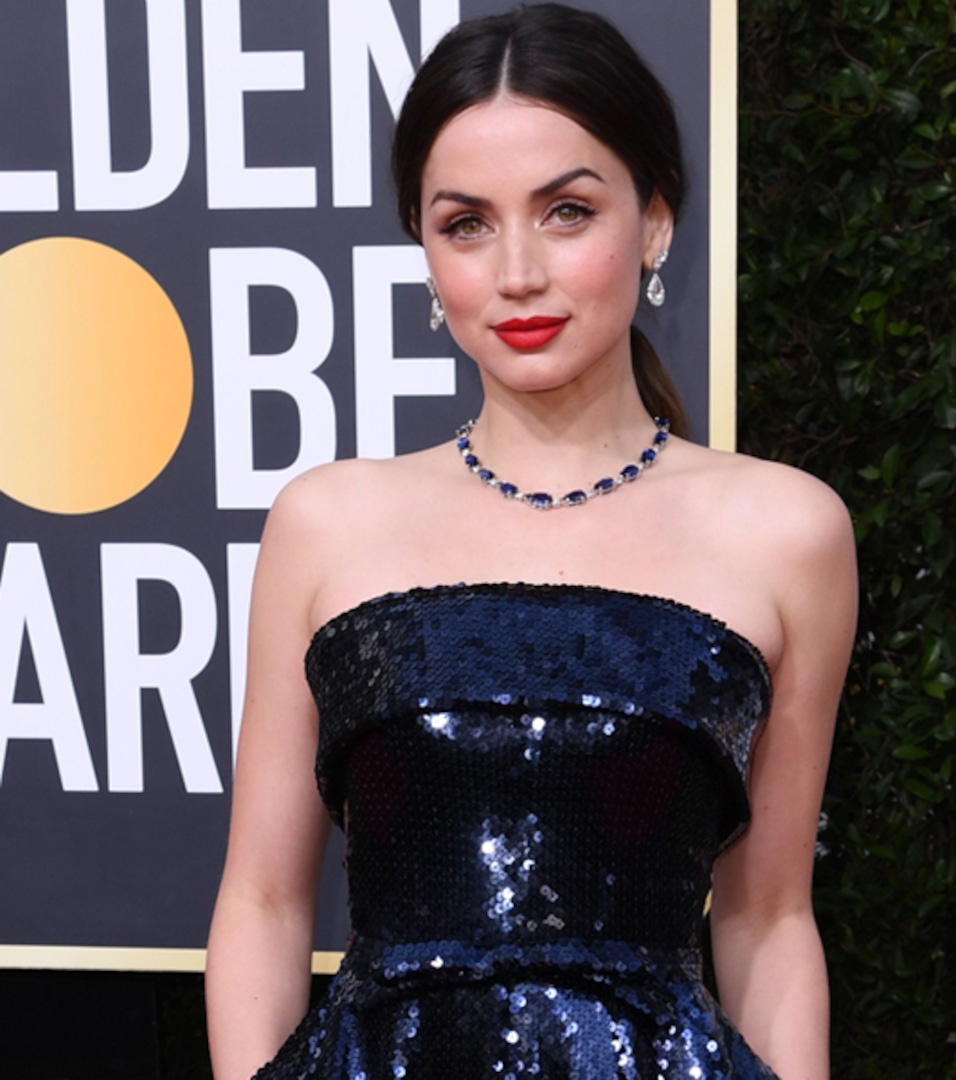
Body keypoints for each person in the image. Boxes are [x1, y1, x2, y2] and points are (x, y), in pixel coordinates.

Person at [204, 5, 857, 1079]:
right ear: (425, 249)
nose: (517, 272)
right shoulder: (326, 523)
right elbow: (264, 900)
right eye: (467, 223)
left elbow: (769, 917)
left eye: (566, 212)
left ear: (654, 222)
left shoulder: (786, 532)